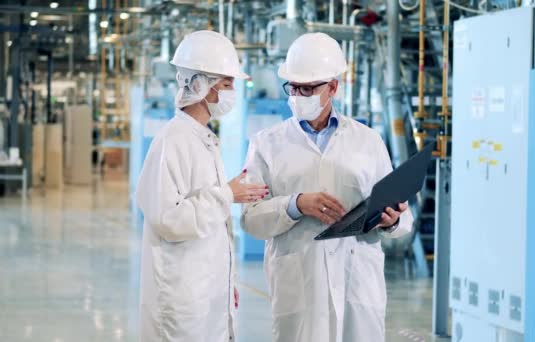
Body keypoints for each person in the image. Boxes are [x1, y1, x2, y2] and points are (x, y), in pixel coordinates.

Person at [241, 32, 414, 342]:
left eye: (308, 88)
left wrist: (394, 220)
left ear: (333, 87)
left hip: (357, 280)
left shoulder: (368, 141)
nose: (298, 95)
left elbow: (402, 216)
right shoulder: (266, 145)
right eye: (293, 88)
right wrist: (295, 204)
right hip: (298, 284)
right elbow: (251, 219)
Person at [136, 30, 267, 342]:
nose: (233, 92)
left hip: (205, 292)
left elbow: (212, 227)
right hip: (181, 299)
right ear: (201, 86)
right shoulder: (173, 141)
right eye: (227, 84)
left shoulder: (203, 139)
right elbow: (169, 219)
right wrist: (227, 195)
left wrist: (226, 284)